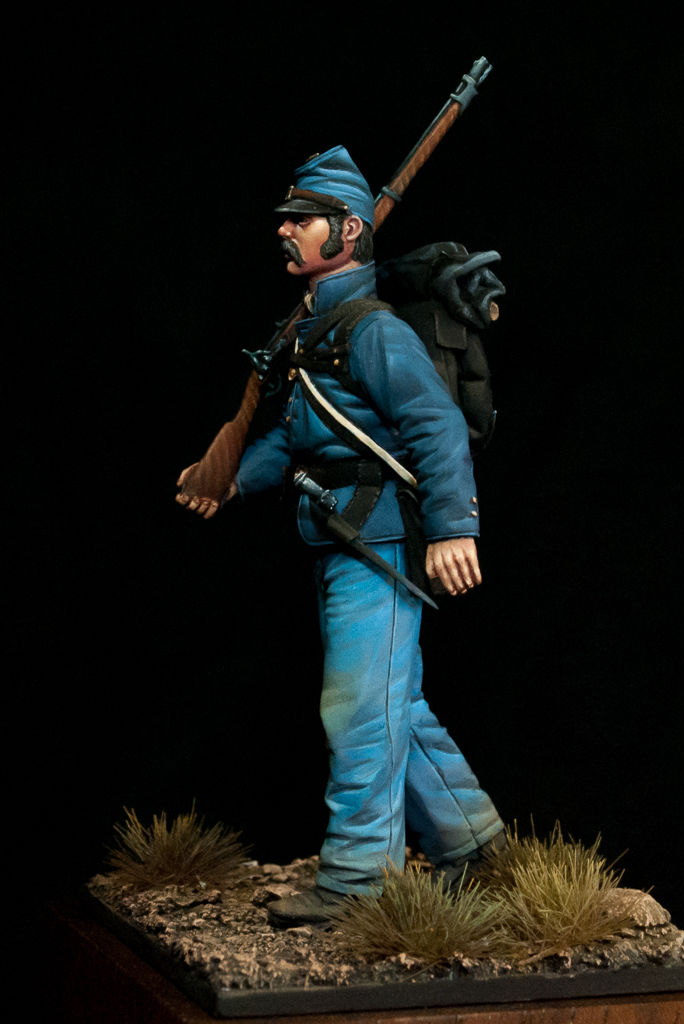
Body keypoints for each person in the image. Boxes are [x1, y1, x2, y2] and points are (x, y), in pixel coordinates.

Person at [177, 146, 505, 927]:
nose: (285, 230)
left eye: (303, 218)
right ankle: (472, 843)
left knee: (358, 710)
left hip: (380, 543)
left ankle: (360, 879)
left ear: (350, 230)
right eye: (287, 218)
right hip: (341, 533)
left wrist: (454, 528)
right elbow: (298, 438)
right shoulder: (312, 327)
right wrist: (230, 480)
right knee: (392, 701)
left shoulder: (372, 330)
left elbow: (435, 427)